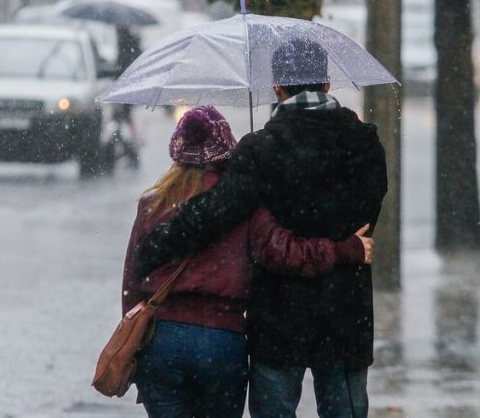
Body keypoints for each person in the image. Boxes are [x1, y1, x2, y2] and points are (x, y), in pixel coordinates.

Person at [133, 39, 389, 417]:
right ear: (328, 84)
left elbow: (217, 211)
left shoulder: (261, 148)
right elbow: (367, 223)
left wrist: (156, 246)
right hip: (346, 314)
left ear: (277, 87)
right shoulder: (365, 142)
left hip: (279, 319)